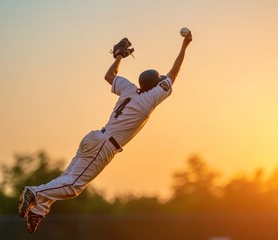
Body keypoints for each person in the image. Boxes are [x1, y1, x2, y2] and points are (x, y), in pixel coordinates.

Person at [18, 31, 193, 233]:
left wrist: (119, 56)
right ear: (154, 85)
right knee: (73, 186)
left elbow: (109, 76)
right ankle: (35, 193)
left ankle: (39, 209)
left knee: (66, 177)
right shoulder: (149, 100)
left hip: (94, 137)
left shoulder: (129, 89)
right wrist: (185, 45)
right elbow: (174, 72)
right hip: (105, 146)